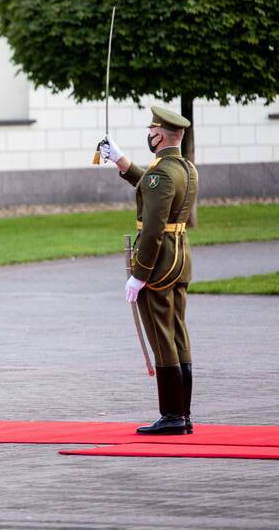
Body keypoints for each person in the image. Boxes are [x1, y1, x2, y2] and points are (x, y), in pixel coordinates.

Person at [100, 106, 198, 435]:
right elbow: (150, 185)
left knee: (161, 336)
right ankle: (183, 415)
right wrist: (120, 159)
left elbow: (153, 229)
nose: (150, 134)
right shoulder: (184, 168)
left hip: (159, 262)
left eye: (152, 129)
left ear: (160, 135)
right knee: (178, 334)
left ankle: (171, 415)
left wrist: (139, 273)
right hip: (179, 258)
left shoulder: (162, 174)